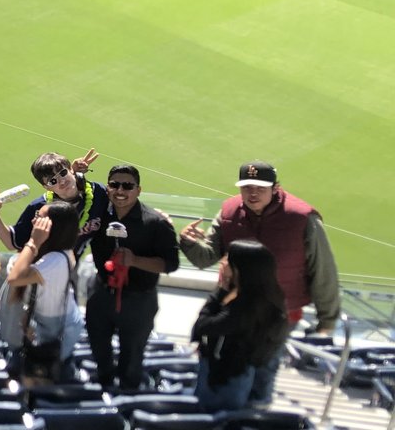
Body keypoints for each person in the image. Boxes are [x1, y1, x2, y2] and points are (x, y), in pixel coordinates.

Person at [179, 161, 340, 405]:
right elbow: (206, 257)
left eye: (260, 188)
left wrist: (326, 319)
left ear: (276, 188)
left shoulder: (302, 217)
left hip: (281, 312)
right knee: (231, 362)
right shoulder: (229, 210)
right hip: (235, 308)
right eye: (247, 187)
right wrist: (188, 242)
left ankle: (257, 411)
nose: (252, 193)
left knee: (265, 364)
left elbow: (323, 270)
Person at [85, 164, 179, 391]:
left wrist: (135, 260)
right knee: (98, 349)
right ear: (107, 188)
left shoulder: (155, 222)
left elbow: (171, 263)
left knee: (132, 356)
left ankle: (128, 400)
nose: (120, 190)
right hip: (102, 293)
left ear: (138, 190)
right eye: (114, 185)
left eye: (127, 186)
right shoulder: (98, 218)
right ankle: (104, 391)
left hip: (139, 300)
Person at [192, 240, 289, 412]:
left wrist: (220, 290)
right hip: (235, 373)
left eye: (228, 259)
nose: (222, 262)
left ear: (241, 269)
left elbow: (203, 325)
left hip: (223, 380)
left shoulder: (244, 308)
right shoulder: (265, 300)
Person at [3, 201, 85, 382]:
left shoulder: (56, 259)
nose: (34, 221)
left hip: (60, 326)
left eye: (40, 217)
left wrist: (33, 241)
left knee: (53, 370)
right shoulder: (50, 252)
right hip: (44, 320)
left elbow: (15, 277)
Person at [0, 149, 107, 256]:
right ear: (46, 187)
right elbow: (11, 242)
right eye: (53, 181)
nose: (61, 181)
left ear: (71, 170)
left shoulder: (98, 193)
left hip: (71, 269)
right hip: (41, 272)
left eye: (63, 173)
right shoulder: (40, 208)